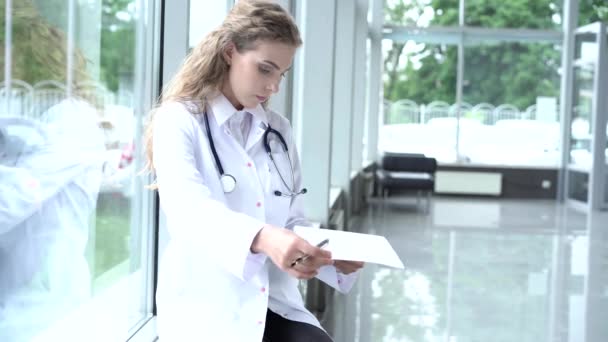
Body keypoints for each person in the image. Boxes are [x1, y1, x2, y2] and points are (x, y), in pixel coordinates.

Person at [145, 1, 364, 341]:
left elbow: (291, 221)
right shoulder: (178, 120)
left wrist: (329, 257)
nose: (274, 86)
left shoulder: (278, 130)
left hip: (272, 301)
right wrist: (264, 238)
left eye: (281, 74)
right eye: (265, 69)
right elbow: (189, 211)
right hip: (206, 306)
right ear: (230, 52)